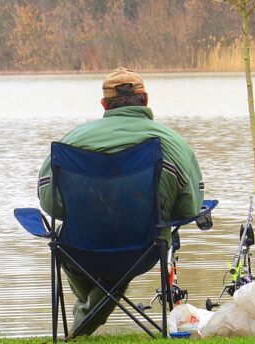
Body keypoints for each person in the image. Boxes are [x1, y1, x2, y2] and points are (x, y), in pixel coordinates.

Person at [37, 67, 204, 335]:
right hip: (144, 250)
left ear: (104, 104)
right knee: (117, 266)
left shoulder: (71, 143)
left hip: (79, 251)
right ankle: (85, 320)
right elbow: (189, 209)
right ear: (146, 100)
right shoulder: (173, 144)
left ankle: (83, 315)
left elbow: (50, 203)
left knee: (70, 245)